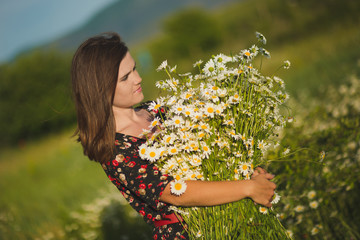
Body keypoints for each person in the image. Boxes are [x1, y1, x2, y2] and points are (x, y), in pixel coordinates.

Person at [71, 32, 277, 240]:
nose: (138, 79)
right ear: (101, 90)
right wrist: (248, 188)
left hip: (232, 220)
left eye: (134, 69)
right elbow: (176, 193)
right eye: (125, 77)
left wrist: (246, 170)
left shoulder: (158, 110)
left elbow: (212, 146)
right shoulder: (115, 150)